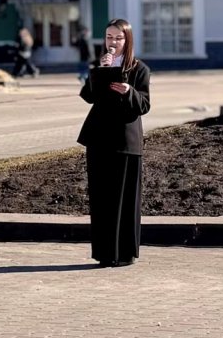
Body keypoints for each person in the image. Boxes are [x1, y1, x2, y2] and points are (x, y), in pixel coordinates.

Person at [77, 18, 151, 267]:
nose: (113, 42)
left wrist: (129, 92)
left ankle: (125, 254)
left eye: (118, 38)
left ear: (127, 40)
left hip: (125, 140)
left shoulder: (139, 69)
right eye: (109, 37)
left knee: (124, 197)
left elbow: (144, 105)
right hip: (99, 139)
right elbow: (88, 96)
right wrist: (98, 71)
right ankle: (104, 253)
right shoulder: (102, 65)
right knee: (101, 198)